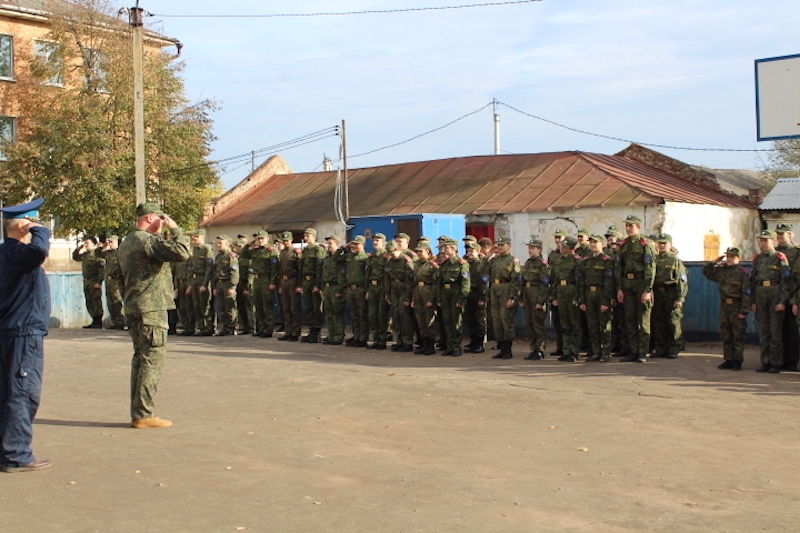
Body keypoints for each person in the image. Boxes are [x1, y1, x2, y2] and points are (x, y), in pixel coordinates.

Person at [118, 202, 189, 428]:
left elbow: (115, 275)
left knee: (140, 359)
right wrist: (175, 229)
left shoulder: (126, 242)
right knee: (151, 360)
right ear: (150, 219)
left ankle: (139, 411)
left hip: (134, 306)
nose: (163, 222)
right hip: (151, 308)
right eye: (161, 218)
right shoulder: (147, 241)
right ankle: (143, 414)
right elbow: (182, 252)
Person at [0, 198, 51, 472]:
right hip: (23, 333)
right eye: (34, 221)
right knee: (22, 393)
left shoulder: (5, 254)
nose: (38, 227)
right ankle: (17, 454)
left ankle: (6, 451)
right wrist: (38, 230)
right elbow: (40, 248)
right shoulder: (21, 255)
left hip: (9, 330)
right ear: (22, 226)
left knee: (6, 393)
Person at [615, 215, 656, 363]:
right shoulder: (623, 245)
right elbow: (618, 267)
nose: (628, 228)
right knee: (630, 319)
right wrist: (620, 289)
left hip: (641, 283)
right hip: (627, 284)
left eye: (631, 226)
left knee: (643, 320)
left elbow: (650, 268)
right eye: (626, 226)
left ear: (638, 227)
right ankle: (633, 350)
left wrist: (648, 290)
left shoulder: (645, 244)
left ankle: (643, 352)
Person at [750, 230, 791, 374]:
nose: (763, 243)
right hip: (761, 294)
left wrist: (783, 301)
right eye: (761, 240)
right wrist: (753, 301)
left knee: (775, 331)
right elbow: (753, 281)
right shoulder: (758, 259)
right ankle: (765, 361)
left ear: (773, 241)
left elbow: (786, 282)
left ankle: (775, 362)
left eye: (766, 240)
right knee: (764, 331)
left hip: (775, 293)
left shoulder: (780, 258)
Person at [703, 247, 750, 370]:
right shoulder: (721, 271)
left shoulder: (742, 273)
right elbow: (706, 271)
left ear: (739, 258)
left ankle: (737, 361)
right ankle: (728, 359)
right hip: (724, 305)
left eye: (732, 257)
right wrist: (714, 261)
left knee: (738, 334)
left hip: (737, 305)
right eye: (728, 256)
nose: (729, 259)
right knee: (726, 334)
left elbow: (746, 293)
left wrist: (744, 311)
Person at [578, 234, 615, 362]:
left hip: (602, 294)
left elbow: (609, 283)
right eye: (591, 242)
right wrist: (582, 300)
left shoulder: (607, 261)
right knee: (592, 326)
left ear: (602, 244)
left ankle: (606, 352)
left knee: (604, 325)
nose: (593, 244)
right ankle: (596, 352)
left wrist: (606, 301)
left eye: (596, 242)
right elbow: (582, 282)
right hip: (589, 295)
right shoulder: (586, 261)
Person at [651, 234, 688, 358]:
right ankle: (661, 348)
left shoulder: (675, 260)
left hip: (670, 293)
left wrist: (679, 298)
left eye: (664, 243)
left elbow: (681, 280)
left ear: (670, 245)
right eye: (660, 243)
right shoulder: (653, 259)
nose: (661, 245)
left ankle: (673, 348)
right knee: (658, 321)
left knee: (673, 321)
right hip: (657, 293)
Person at [242, 231, 280, 338]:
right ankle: (261, 327)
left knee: (267, 305)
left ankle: (268, 329)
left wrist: (272, 282)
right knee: (258, 305)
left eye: (262, 239)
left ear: (267, 239)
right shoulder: (255, 251)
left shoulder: (271, 251)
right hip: (256, 280)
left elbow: (275, 269)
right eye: (258, 239)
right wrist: (249, 243)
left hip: (266, 279)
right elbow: (243, 254)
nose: (260, 241)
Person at [488, 236, 520, 360]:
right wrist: (488, 256)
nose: (500, 247)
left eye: (502, 245)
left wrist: (513, 297)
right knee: (496, 319)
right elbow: (482, 270)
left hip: (506, 288)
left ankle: (508, 349)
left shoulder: (513, 260)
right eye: (498, 245)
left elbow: (515, 280)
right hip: (495, 288)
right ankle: (501, 347)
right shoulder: (494, 260)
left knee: (506, 319)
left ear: (509, 245)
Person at [551, 236, 582, 362]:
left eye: (564, 247)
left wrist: (577, 297)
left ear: (570, 248)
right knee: (564, 324)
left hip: (571, 290)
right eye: (561, 246)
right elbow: (554, 281)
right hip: (560, 291)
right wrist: (554, 296)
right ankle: (566, 351)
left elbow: (579, 281)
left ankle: (574, 352)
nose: (561, 248)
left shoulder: (577, 261)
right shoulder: (557, 261)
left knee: (574, 324)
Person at [438, 239, 470, 356]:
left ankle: (456, 347)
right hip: (445, 293)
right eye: (444, 247)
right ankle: (449, 346)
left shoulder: (462, 264)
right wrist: (439, 298)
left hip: (455, 292)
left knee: (456, 321)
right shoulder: (444, 264)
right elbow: (439, 282)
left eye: (447, 247)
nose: (444, 249)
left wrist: (461, 299)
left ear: (454, 248)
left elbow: (465, 283)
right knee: (447, 321)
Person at [775, 223, 800, 372]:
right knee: (779, 329)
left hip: (793, 295)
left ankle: (792, 361)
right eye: (777, 234)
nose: (779, 237)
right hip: (777, 296)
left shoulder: (797, 252)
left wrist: (795, 299)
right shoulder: (774, 253)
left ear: (790, 235)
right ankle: (781, 359)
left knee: (792, 330)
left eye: (782, 234)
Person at [520, 239, 551, 360]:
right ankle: (533, 348)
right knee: (529, 323)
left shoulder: (542, 265)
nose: (530, 250)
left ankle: (540, 349)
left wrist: (540, 302)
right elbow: (523, 282)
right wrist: (521, 298)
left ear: (539, 250)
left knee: (538, 324)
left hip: (537, 295)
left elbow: (544, 285)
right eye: (529, 248)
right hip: (527, 295)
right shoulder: (528, 263)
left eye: (533, 248)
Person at [386, 237, 416, 352]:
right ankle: (399, 341)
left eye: (392, 253)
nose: (391, 255)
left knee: (405, 317)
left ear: (397, 249)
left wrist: (408, 297)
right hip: (394, 290)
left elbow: (410, 281)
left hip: (404, 290)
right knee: (396, 317)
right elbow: (388, 279)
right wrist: (388, 294)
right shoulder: (391, 261)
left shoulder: (406, 261)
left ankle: (407, 342)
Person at [186, 230, 215, 337]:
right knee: (196, 305)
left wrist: (204, 284)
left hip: (203, 279)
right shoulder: (195, 251)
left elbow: (209, 268)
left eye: (196, 237)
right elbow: (190, 268)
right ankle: (201, 327)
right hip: (194, 280)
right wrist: (190, 284)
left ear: (202, 237)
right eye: (193, 237)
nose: (194, 239)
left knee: (205, 305)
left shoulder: (206, 250)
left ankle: (209, 327)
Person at [412, 241, 439, 355]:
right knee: (420, 319)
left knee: (429, 320)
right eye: (417, 252)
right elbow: (414, 282)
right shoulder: (417, 264)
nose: (418, 254)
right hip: (418, 292)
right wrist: (413, 298)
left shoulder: (432, 266)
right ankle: (424, 343)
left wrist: (432, 299)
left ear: (428, 251)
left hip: (427, 292)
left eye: (421, 252)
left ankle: (430, 345)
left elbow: (435, 284)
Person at [72, 236, 105, 329]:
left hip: (94, 280)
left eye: (88, 243)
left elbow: (101, 270)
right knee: (89, 300)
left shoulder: (97, 254)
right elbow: (75, 257)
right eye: (85, 243)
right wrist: (79, 248)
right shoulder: (86, 255)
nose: (86, 245)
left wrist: (99, 282)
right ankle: (94, 319)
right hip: (86, 281)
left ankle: (98, 321)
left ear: (94, 244)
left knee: (96, 300)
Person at [299, 228, 325, 343]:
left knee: (316, 308)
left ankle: (316, 332)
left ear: (314, 237)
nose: (306, 238)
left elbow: (320, 269)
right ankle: (311, 330)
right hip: (306, 281)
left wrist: (318, 285)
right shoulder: (305, 250)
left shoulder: (318, 249)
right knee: (308, 307)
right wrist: (301, 284)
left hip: (314, 281)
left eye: (308, 236)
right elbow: (302, 268)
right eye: (305, 236)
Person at [321, 235, 347, 345]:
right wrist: (322, 289)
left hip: (336, 287)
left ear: (337, 244)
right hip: (327, 288)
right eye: (328, 244)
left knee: (337, 313)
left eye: (331, 243)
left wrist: (340, 290)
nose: (328, 246)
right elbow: (324, 274)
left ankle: (338, 336)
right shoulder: (327, 258)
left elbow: (342, 275)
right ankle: (331, 335)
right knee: (329, 313)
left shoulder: (340, 258)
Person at [463, 241, 488, 354]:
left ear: (478, 252)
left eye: (472, 251)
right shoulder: (466, 263)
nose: (469, 253)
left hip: (478, 294)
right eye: (468, 251)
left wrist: (483, 297)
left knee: (479, 320)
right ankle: (473, 342)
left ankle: (480, 343)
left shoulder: (481, 264)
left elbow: (484, 282)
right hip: (469, 294)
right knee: (470, 319)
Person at [366, 233, 390, 350]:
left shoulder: (386, 257)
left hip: (382, 287)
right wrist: (367, 290)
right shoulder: (371, 257)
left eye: (378, 241)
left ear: (384, 243)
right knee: (372, 315)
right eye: (374, 241)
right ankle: (375, 339)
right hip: (372, 287)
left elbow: (387, 276)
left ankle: (382, 340)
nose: (375, 243)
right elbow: (368, 274)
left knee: (381, 315)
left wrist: (387, 292)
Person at [212, 235, 239, 336]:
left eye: (220, 243)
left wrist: (232, 287)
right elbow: (215, 272)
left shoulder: (231, 256)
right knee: (222, 307)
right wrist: (215, 286)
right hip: (219, 283)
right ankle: (225, 327)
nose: (218, 245)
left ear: (227, 244)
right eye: (217, 243)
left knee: (230, 307)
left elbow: (235, 272)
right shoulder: (218, 256)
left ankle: (232, 327)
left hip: (227, 283)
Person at [345, 236, 370, 347]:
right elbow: (336, 258)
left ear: (363, 245)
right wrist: (344, 247)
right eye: (353, 244)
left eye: (357, 244)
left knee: (362, 315)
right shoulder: (349, 256)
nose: (354, 246)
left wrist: (366, 290)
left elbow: (368, 275)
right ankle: (356, 336)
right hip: (351, 289)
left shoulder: (366, 258)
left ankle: (363, 338)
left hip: (361, 289)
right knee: (354, 315)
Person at [278, 232, 302, 341]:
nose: (285, 242)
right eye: (284, 241)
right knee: (286, 308)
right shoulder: (282, 253)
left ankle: (295, 332)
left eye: (287, 240)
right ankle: (288, 331)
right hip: (284, 281)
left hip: (293, 281)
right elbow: (279, 269)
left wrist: (299, 285)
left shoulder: (296, 253)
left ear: (291, 240)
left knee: (294, 308)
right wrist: (280, 284)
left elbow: (300, 270)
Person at [548, 229, 568, 356]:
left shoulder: (571, 255)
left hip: (567, 290)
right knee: (557, 322)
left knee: (567, 322)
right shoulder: (552, 255)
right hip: (555, 289)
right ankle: (560, 347)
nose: (557, 240)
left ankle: (569, 348)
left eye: (560, 237)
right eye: (556, 237)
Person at [101, 235, 125, 330]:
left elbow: (122, 268)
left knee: (117, 302)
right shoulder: (108, 253)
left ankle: (120, 322)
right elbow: (97, 254)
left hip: (116, 280)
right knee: (110, 302)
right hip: (109, 280)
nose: (110, 244)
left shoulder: (120, 253)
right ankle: (114, 322)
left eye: (112, 242)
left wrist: (120, 282)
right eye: (109, 242)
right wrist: (103, 246)